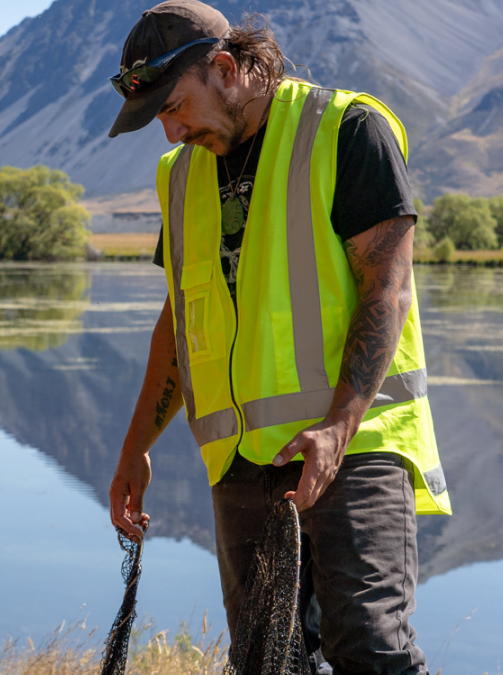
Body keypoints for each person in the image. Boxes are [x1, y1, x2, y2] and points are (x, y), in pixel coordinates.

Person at [104, 1, 451, 673]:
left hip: (356, 445)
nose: (172, 133)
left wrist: (339, 427)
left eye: (175, 108)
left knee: (371, 652)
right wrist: (135, 449)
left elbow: (387, 290)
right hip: (241, 464)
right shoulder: (179, 178)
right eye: (159, 121)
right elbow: (180, 319)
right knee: (266, 660)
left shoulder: (348, 129)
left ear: (227, 69)